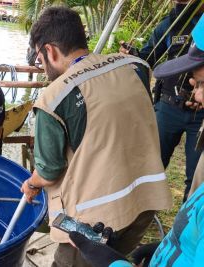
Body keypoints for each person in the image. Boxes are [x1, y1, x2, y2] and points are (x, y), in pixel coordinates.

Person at [20, 6, 172, 267]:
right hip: (145, 201)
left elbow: (49, 171)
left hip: (94, 225)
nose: (43, 68)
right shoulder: (135, 66)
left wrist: (32, 183)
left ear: (49, 50)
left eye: (39, 59)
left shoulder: (54, 98)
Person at [70, 15, 204, 267]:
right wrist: (172, 246)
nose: (196, 92)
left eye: (202, 83)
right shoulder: (168, 24)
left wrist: (112, 263)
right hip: (170, 107)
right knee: (156, 163)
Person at [120, 0, 204, 202]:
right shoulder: (166, 26)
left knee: (196, 176)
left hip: (199, 114)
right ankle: (141, 209)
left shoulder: (201, 24)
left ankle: (189, 221)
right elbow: (147, 59)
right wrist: (132, 55)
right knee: (152, 164)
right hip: (169, 106)